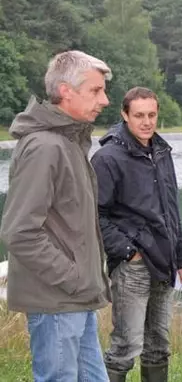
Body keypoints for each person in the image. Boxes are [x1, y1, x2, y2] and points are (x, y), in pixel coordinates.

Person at [0, 50, 112, 381]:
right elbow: (20, 231)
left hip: (75, 301)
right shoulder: (45, 147)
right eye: (95, 90)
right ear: (66, 91)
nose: (104, 100)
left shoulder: (69, 143)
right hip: (58, 302)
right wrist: (74, 278)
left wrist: (82, 283)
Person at [90, 86, 182, 381]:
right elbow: (95, 215)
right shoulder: (108, 158)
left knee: (159, 345)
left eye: (152, 115)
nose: (147, 122)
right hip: (132, 266)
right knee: (126, 346)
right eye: (139, 115)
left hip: (165, 261)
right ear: (124, 115)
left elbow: (171, 209)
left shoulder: (162, 151)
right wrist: (127, 252)